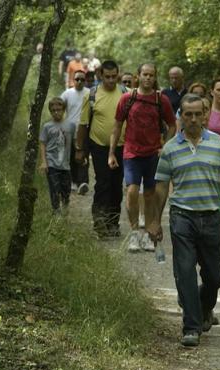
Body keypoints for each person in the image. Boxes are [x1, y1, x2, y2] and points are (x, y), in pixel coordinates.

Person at [148, 93, 220, 347]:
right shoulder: (170, 148)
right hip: (182, 217)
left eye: (197, 114)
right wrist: (155, 221)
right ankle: (191, 327)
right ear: (181, 116)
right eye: (186, 114)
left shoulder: (217, 144)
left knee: (215, 274)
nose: (192, 119)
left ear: (204, 115)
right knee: (185, 272)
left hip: (212, 216)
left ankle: (202, 306)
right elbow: (161, 187)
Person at [109, 63, 177, 253]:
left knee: (149, 195)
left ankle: (147, 234)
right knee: (131, 191)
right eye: (145, 74)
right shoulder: (127, 99)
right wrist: (112, 152)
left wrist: (166, 145)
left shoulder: (160, 100)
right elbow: (116, 126)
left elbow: (172, 125)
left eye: (151, 75)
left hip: (153, 154)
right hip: (131, 153)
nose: (148, 78)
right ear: (138, 76)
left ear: (155, 78)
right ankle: (134, 233)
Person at [76, 60, 127, 238]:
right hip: (98, 146)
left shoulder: (126, 94)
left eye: (114, 77)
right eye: (107, 77)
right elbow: (83, 124)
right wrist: (79, 149)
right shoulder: (91, 95)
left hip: (121, 147)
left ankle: (113, 222)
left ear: (118, 75)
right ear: (100, 75)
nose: (111, 80)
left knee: (116, 185)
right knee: (103, 182)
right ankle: (100, 220)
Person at [39, 97, 76, 214]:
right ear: (50, 111)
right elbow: (42, 143)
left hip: (65, 164)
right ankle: (56, 213)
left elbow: (74, 142)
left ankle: (65, 209)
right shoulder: (47, 126)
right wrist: (44, 162)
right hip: (52, 164)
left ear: (63, 110)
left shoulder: (70, 125)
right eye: (53, 110)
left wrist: (80, 154)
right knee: (54, 189)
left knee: (66, 189)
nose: (56, 112)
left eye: (59, 109)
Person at [60, 70, 90, 195]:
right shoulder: (67, 94)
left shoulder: (89, 93)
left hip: (85, 128)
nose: (79, 82)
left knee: (83, 155)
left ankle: (83, 182)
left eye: (82, 79)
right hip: (69, 129)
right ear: (73, 80)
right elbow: (58, 107)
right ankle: (73, 181)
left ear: (85, 80)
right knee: (71, 156)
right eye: (77, 79)